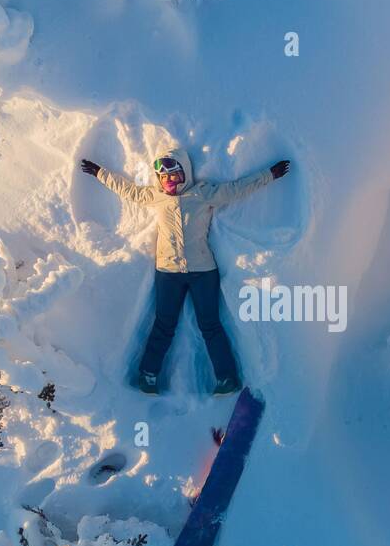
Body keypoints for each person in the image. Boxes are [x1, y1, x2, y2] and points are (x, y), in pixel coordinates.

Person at [80, 149, 291, 395]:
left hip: (203, 272)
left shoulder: (203, 194)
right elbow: (127, 189)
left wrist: (270, 175)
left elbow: (236, 189)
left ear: (185, 174)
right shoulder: (154, 197)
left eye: (173, 176)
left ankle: (227, 377)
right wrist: (99, 173)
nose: (168, 182)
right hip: (168, 273)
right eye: (163, 178)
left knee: (210, 325)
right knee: (163, 325)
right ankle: (148, 375)